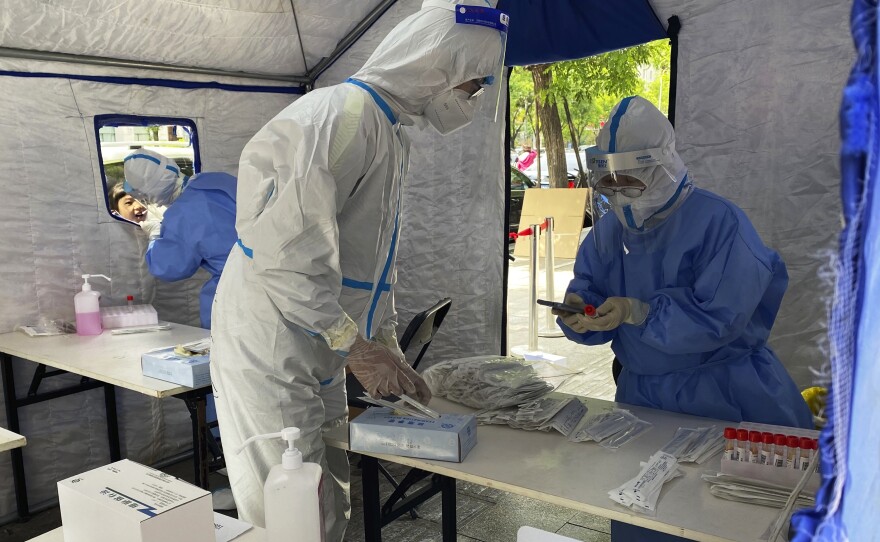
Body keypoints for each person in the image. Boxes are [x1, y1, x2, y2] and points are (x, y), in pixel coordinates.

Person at [209, 1, 508, 540]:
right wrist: (359, 349)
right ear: (436, 64)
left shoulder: (390, 130)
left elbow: (370, 265)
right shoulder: (336, 119)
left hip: (318, 336)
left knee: (327, 495)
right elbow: (287, 263)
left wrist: (384, 341)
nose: (473, 100)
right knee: (286, 507)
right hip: (274, 338)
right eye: (473, 85)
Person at [555, 95, 811, 542]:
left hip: (727, 394)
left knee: (731, 523)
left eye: (630, 179)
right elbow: (588, 287)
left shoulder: (720, 223)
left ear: (661, 166)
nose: (619, 191)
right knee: (644, 517)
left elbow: (723, 318)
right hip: (643, 398)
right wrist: (582, 313)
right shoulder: (610, 230)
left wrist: (642, 311)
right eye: (609, 181)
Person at [122, 149, 237, 329]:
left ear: (148, 194)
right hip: (281, 273)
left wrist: (154, 235)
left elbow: (169, 267)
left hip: (238, 292)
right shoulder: (217, 180)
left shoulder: (181, 215)